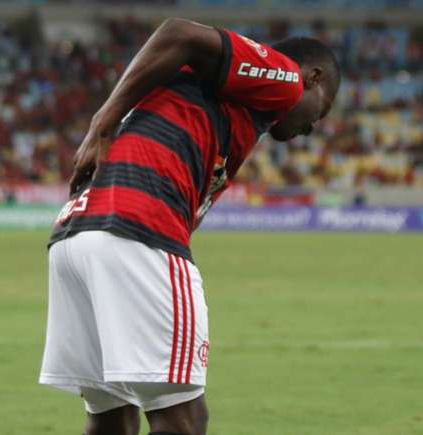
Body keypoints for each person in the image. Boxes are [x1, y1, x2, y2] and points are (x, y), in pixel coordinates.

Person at [41, 19, 340, 435]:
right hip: (138, 228)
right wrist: (103, 120)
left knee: (112, 415)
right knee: (182, 417)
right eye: (321, 110)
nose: (312, 127)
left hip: (76, 236)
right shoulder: (286, 80)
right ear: (313, 77)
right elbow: (178, 33)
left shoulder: (229, 104)